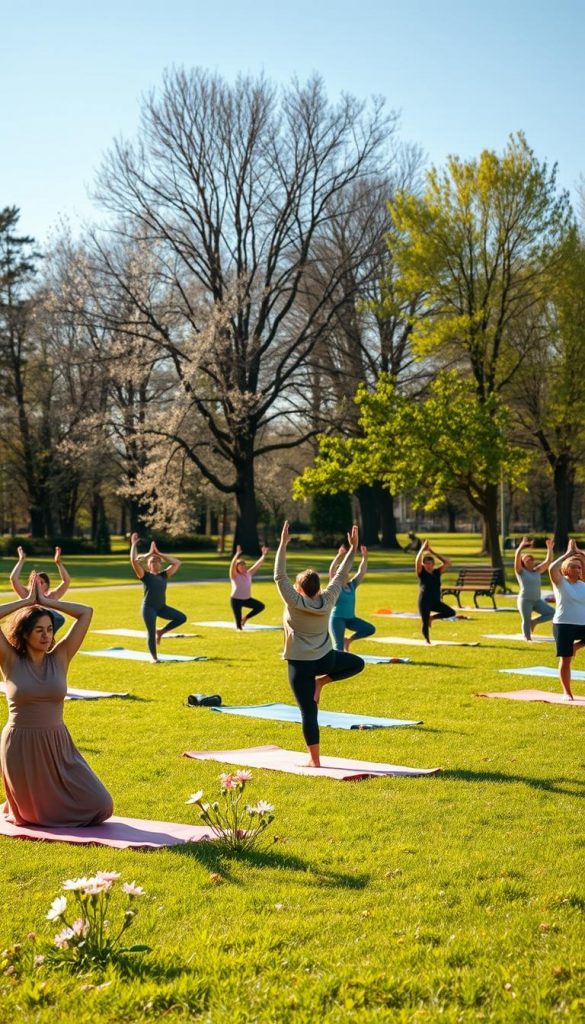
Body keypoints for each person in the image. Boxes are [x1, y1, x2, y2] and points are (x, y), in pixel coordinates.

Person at [0, 575, 113, 826]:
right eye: (39, 630)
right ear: (25, 633)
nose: (46, 636)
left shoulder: (60, 656)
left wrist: (46, 601)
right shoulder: (9, 660)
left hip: (58, 743)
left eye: (50, 629)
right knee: (32, 816)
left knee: (102, 805)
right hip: (21, 745)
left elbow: (86, 612)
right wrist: (26, 602)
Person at [274, 521, 365, 767]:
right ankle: (322, 682)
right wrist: (353, 548)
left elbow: (279, 575)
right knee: (357, 663)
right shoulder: (329, 599)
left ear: (300, 589)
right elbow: (340, 574)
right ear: (317, 588)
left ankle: (315, 761)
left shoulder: (294, 601)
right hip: (325, 659)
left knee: (308, 712)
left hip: (300, 665)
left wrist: (283, 544)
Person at [130, 535, 187, 663]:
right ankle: (154, 658)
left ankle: (161, 632)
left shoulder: (164, 575)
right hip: (148, 608)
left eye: (157, 561)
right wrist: (146, 552)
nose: (155, 562)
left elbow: (177, 563)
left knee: (181, 618)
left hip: (161, 607)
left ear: (161, 564)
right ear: (148, 565)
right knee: (150, 632)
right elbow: (134, 561)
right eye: (152, 561)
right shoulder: (145, 576)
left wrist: (159, 553)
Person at [549, 538, 585, 700]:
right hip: (563, 624)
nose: (577, 569)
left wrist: (580, 554)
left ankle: (574, 647)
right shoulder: (561, 583)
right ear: (565, 568)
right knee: (566, 660)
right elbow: (551, 568)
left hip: (582, 624)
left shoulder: (583, 585)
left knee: (570, 652)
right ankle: (567, 693)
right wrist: (568, 554)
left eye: (579, 567)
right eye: (573, 566)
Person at [10, 545, 70, 634]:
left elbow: (66, 581)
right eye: (34, 582)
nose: (37, 584)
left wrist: (58, 563)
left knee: (57, 617)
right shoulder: (26, 595)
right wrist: (21, 560)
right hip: (26, 632)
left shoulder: (51, 597)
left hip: (43, 636)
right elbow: (13, 579)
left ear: (47, 586)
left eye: (41, 582)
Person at [328, 544, 375, 651]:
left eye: (346, 572)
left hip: (351, 619)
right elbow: (331, 571)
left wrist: (365, 558)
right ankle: (338, 666)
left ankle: (348, 640)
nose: (345, 574)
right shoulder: (335, 586)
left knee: (370, 629)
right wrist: (339, 555)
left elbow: (361, 572)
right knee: (338, 648)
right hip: (337, 619)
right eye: (341, 573)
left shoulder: (352, 585)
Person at [514, 536, 555, 640]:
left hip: (537, 600)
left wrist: (549, 549)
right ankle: (528, 639)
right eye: (526, 558)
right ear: (523, 562)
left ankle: (534, 622)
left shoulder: (537, 570)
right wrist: (521, 547)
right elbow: (517, 557)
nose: (529, 559)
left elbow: (548, 561)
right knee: (526, 620)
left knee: (552, 613)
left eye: (531, 558)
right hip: (525, 600)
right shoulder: (520, 571)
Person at [415, 540, 455, 644]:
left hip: (436, 601)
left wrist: (431, 551)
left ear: (433, 564)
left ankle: (432, 618)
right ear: (423, 565)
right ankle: (427, 641)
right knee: (424, 623)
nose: (428, 565)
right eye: (426, 563)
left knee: (451, 612)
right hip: (424, 601)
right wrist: (422, 550)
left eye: (430, 563)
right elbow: (417, 562)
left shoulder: (437, 572)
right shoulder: (421, 573)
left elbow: (447, 562)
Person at [229, 544, 269, 629]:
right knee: (239, 627)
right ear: (237, 568)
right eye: (241, 566)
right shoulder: (234, 575)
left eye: (244, 565)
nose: (243, 567)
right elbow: (232, 565)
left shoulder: (248, 574)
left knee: (260, 606)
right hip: (236, 600)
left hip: (246, 599)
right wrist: (237, 554)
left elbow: (257, 565)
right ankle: (240, 625)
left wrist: (264, 555)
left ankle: (245, 618)